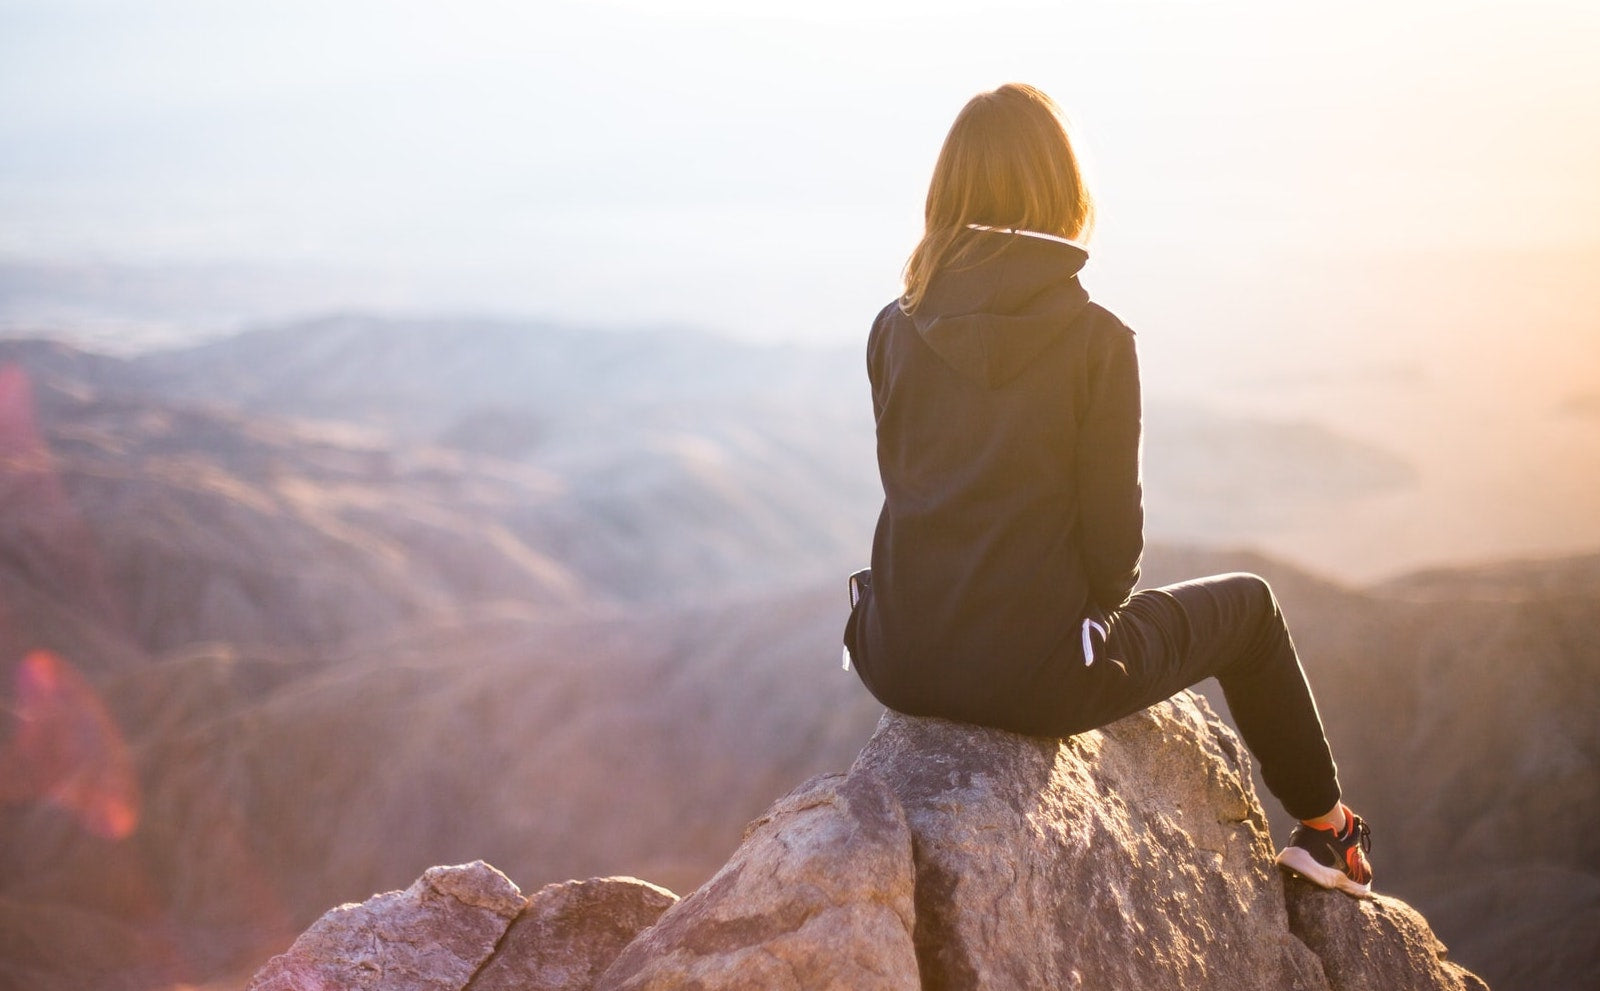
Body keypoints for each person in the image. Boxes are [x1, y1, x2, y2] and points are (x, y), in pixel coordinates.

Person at [842, 82, 1373, 898]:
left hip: (895, 655)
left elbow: (912, 488)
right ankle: (1328, 830)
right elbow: (1115, 552)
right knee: (1253, 609)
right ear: (1062, 190)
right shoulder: (1096, 341)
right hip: (1039, 678)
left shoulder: (893, 324)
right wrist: (1073, 629)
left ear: (946, 192)